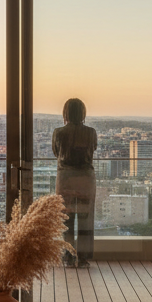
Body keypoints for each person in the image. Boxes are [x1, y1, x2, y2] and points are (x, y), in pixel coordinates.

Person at [52, 98, 97, 267]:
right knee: (86, 218)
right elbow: (93, 149)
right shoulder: (91, 132)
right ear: (83, 113)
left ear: (66, 113)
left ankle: (68, 256)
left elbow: (56, 153)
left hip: (65, 178)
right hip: (86, 178)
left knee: (66, 218)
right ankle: (83, 257)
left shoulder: (58, 132)